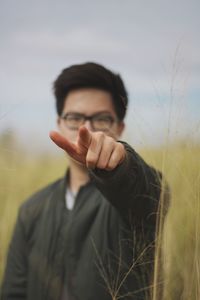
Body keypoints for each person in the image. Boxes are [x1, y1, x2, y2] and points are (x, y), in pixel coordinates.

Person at [0, 62, 169, 300]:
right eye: (74, 117)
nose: (87, 129)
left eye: (101, 119)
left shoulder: (132, 198)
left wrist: (121, 165)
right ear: (59, 122)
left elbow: (151, 195)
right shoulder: (31, 210)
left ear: (119, 128)